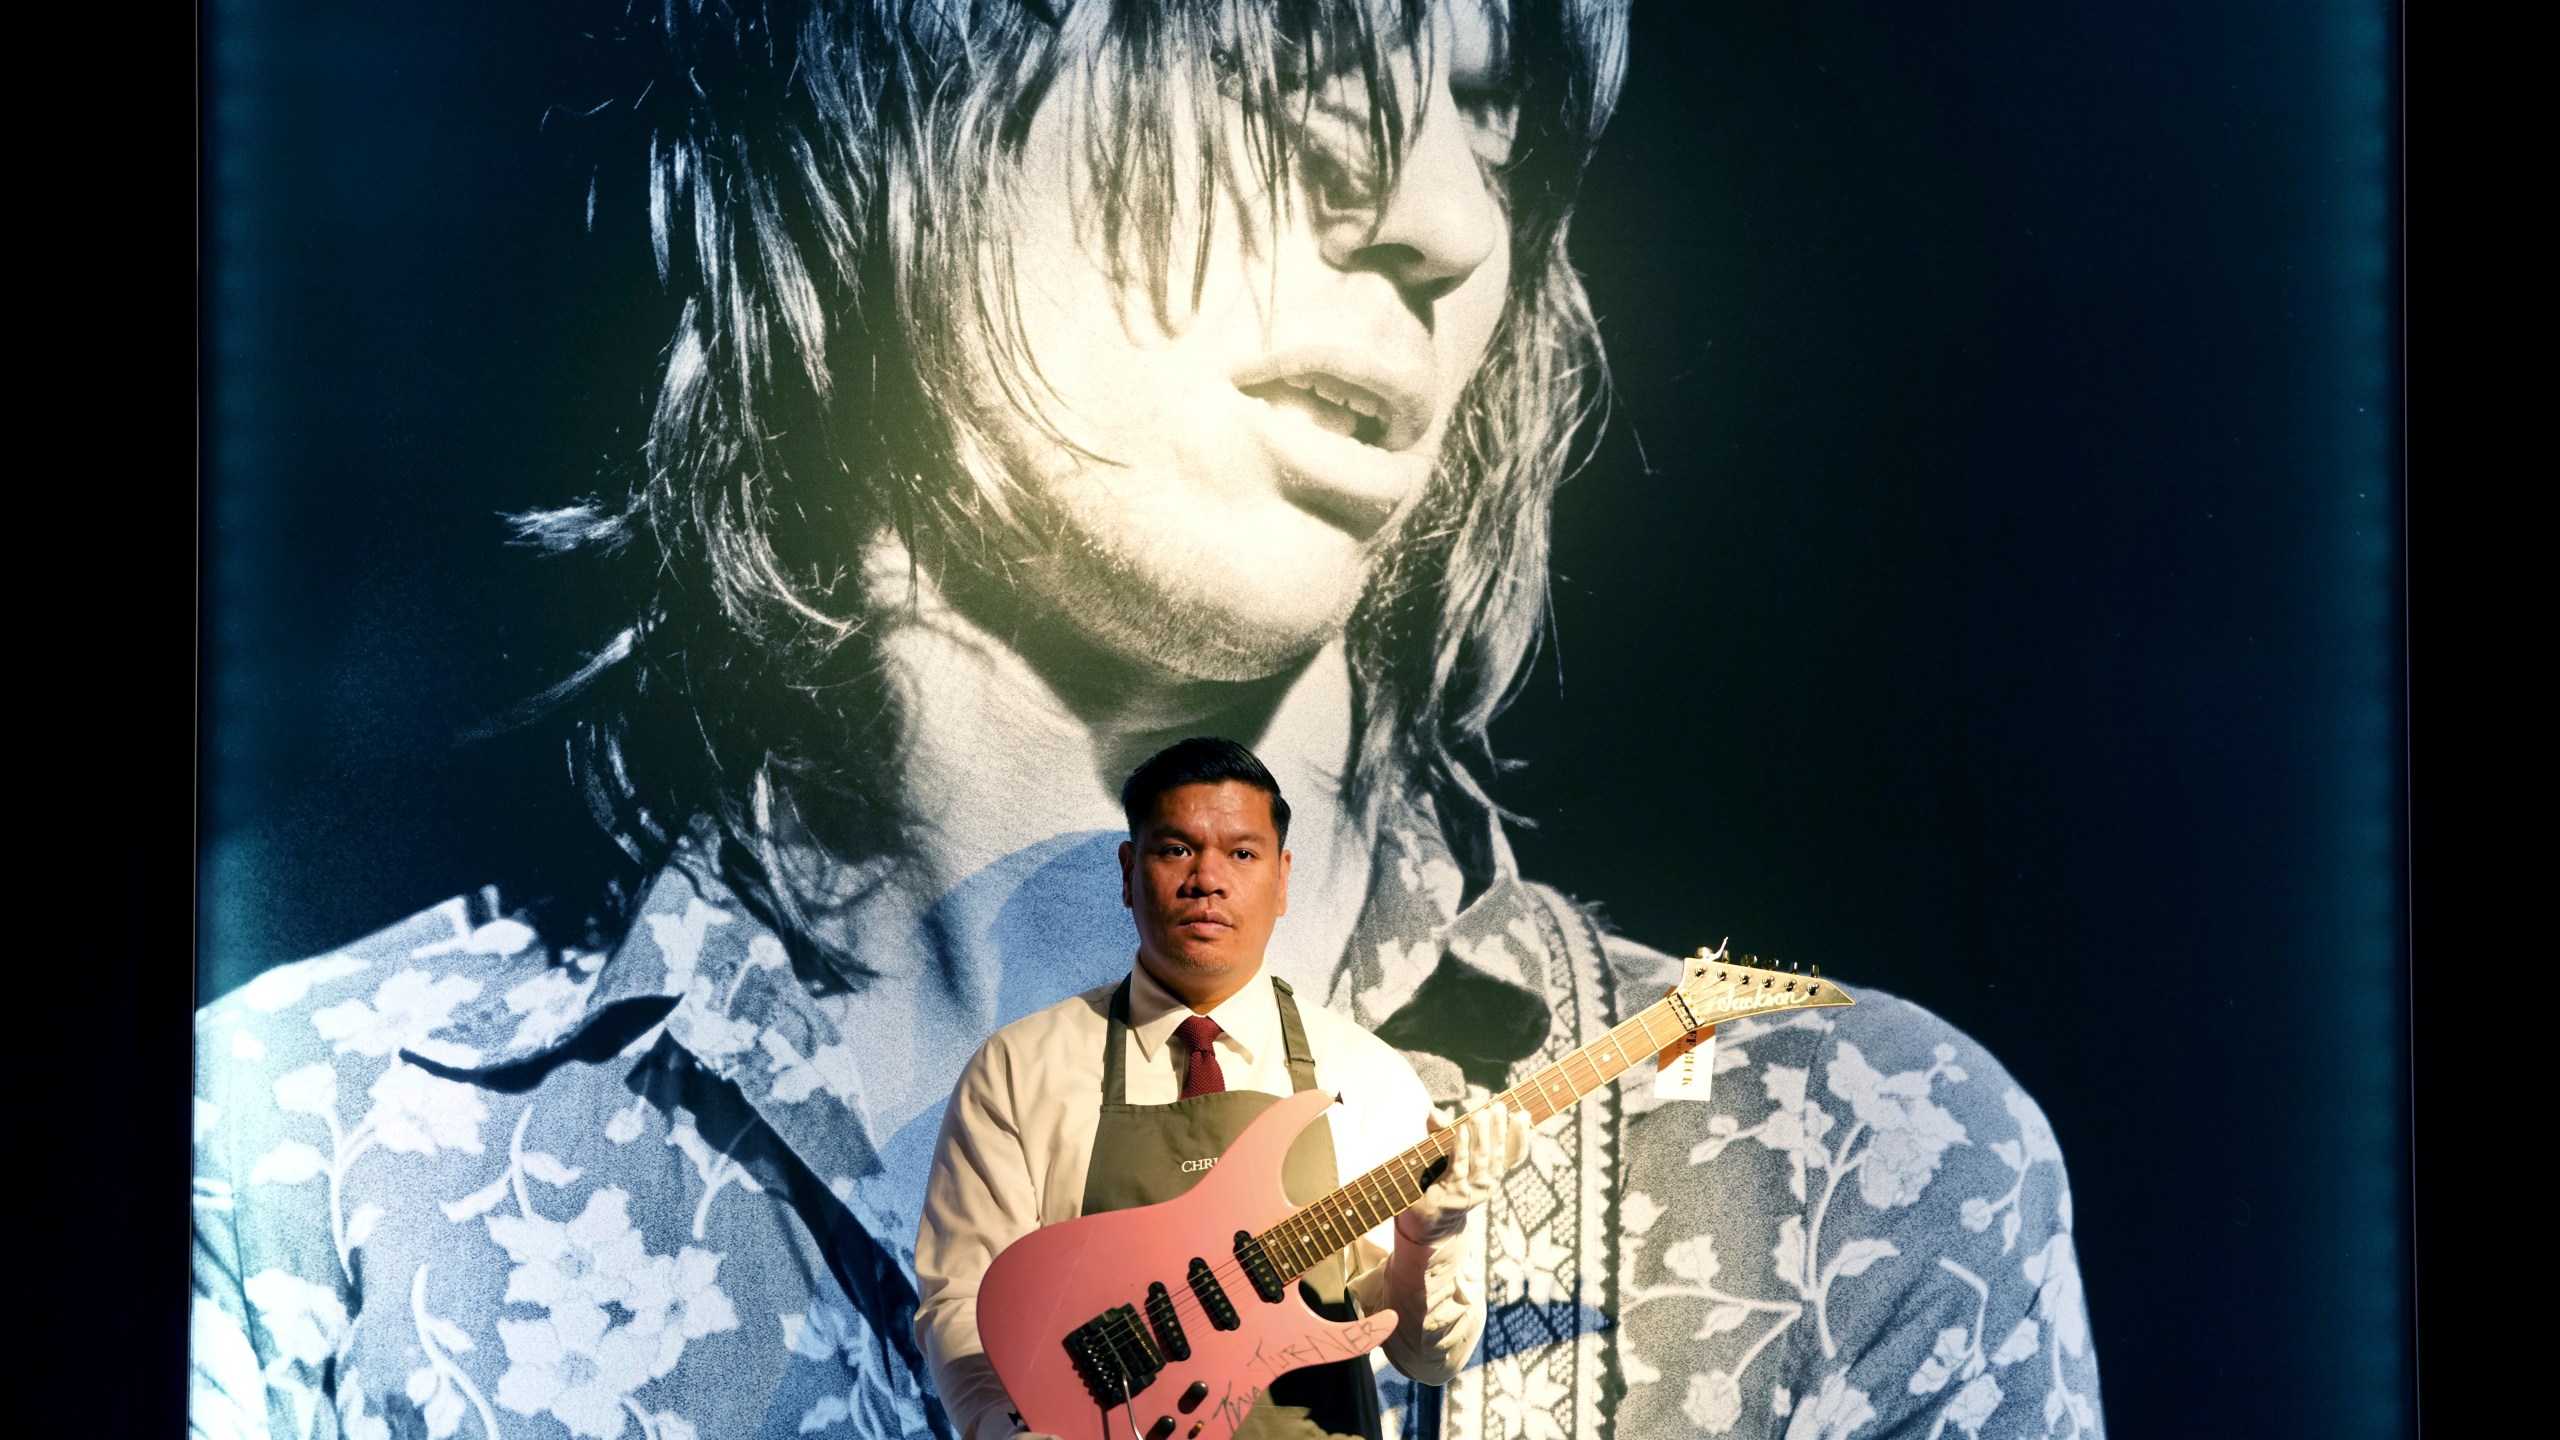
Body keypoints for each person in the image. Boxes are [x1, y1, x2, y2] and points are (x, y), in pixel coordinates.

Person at [194, 2, 2104, 1438]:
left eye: (1498, 129)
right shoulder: (323, 1161)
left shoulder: (1852, 1166)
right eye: (1306, 57)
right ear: (893, 91)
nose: (1441, 218)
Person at [915, 738, 1533, 1440]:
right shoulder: (1019, 1070)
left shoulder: (1365, 1074)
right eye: (1176, 849)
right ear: (1127, 871)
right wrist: (1006, 1430)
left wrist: (1430, 1236)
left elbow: (1427, 1359)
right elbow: (961, 1299)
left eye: (1242, 854)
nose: (1207, 878)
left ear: (1282, 879)